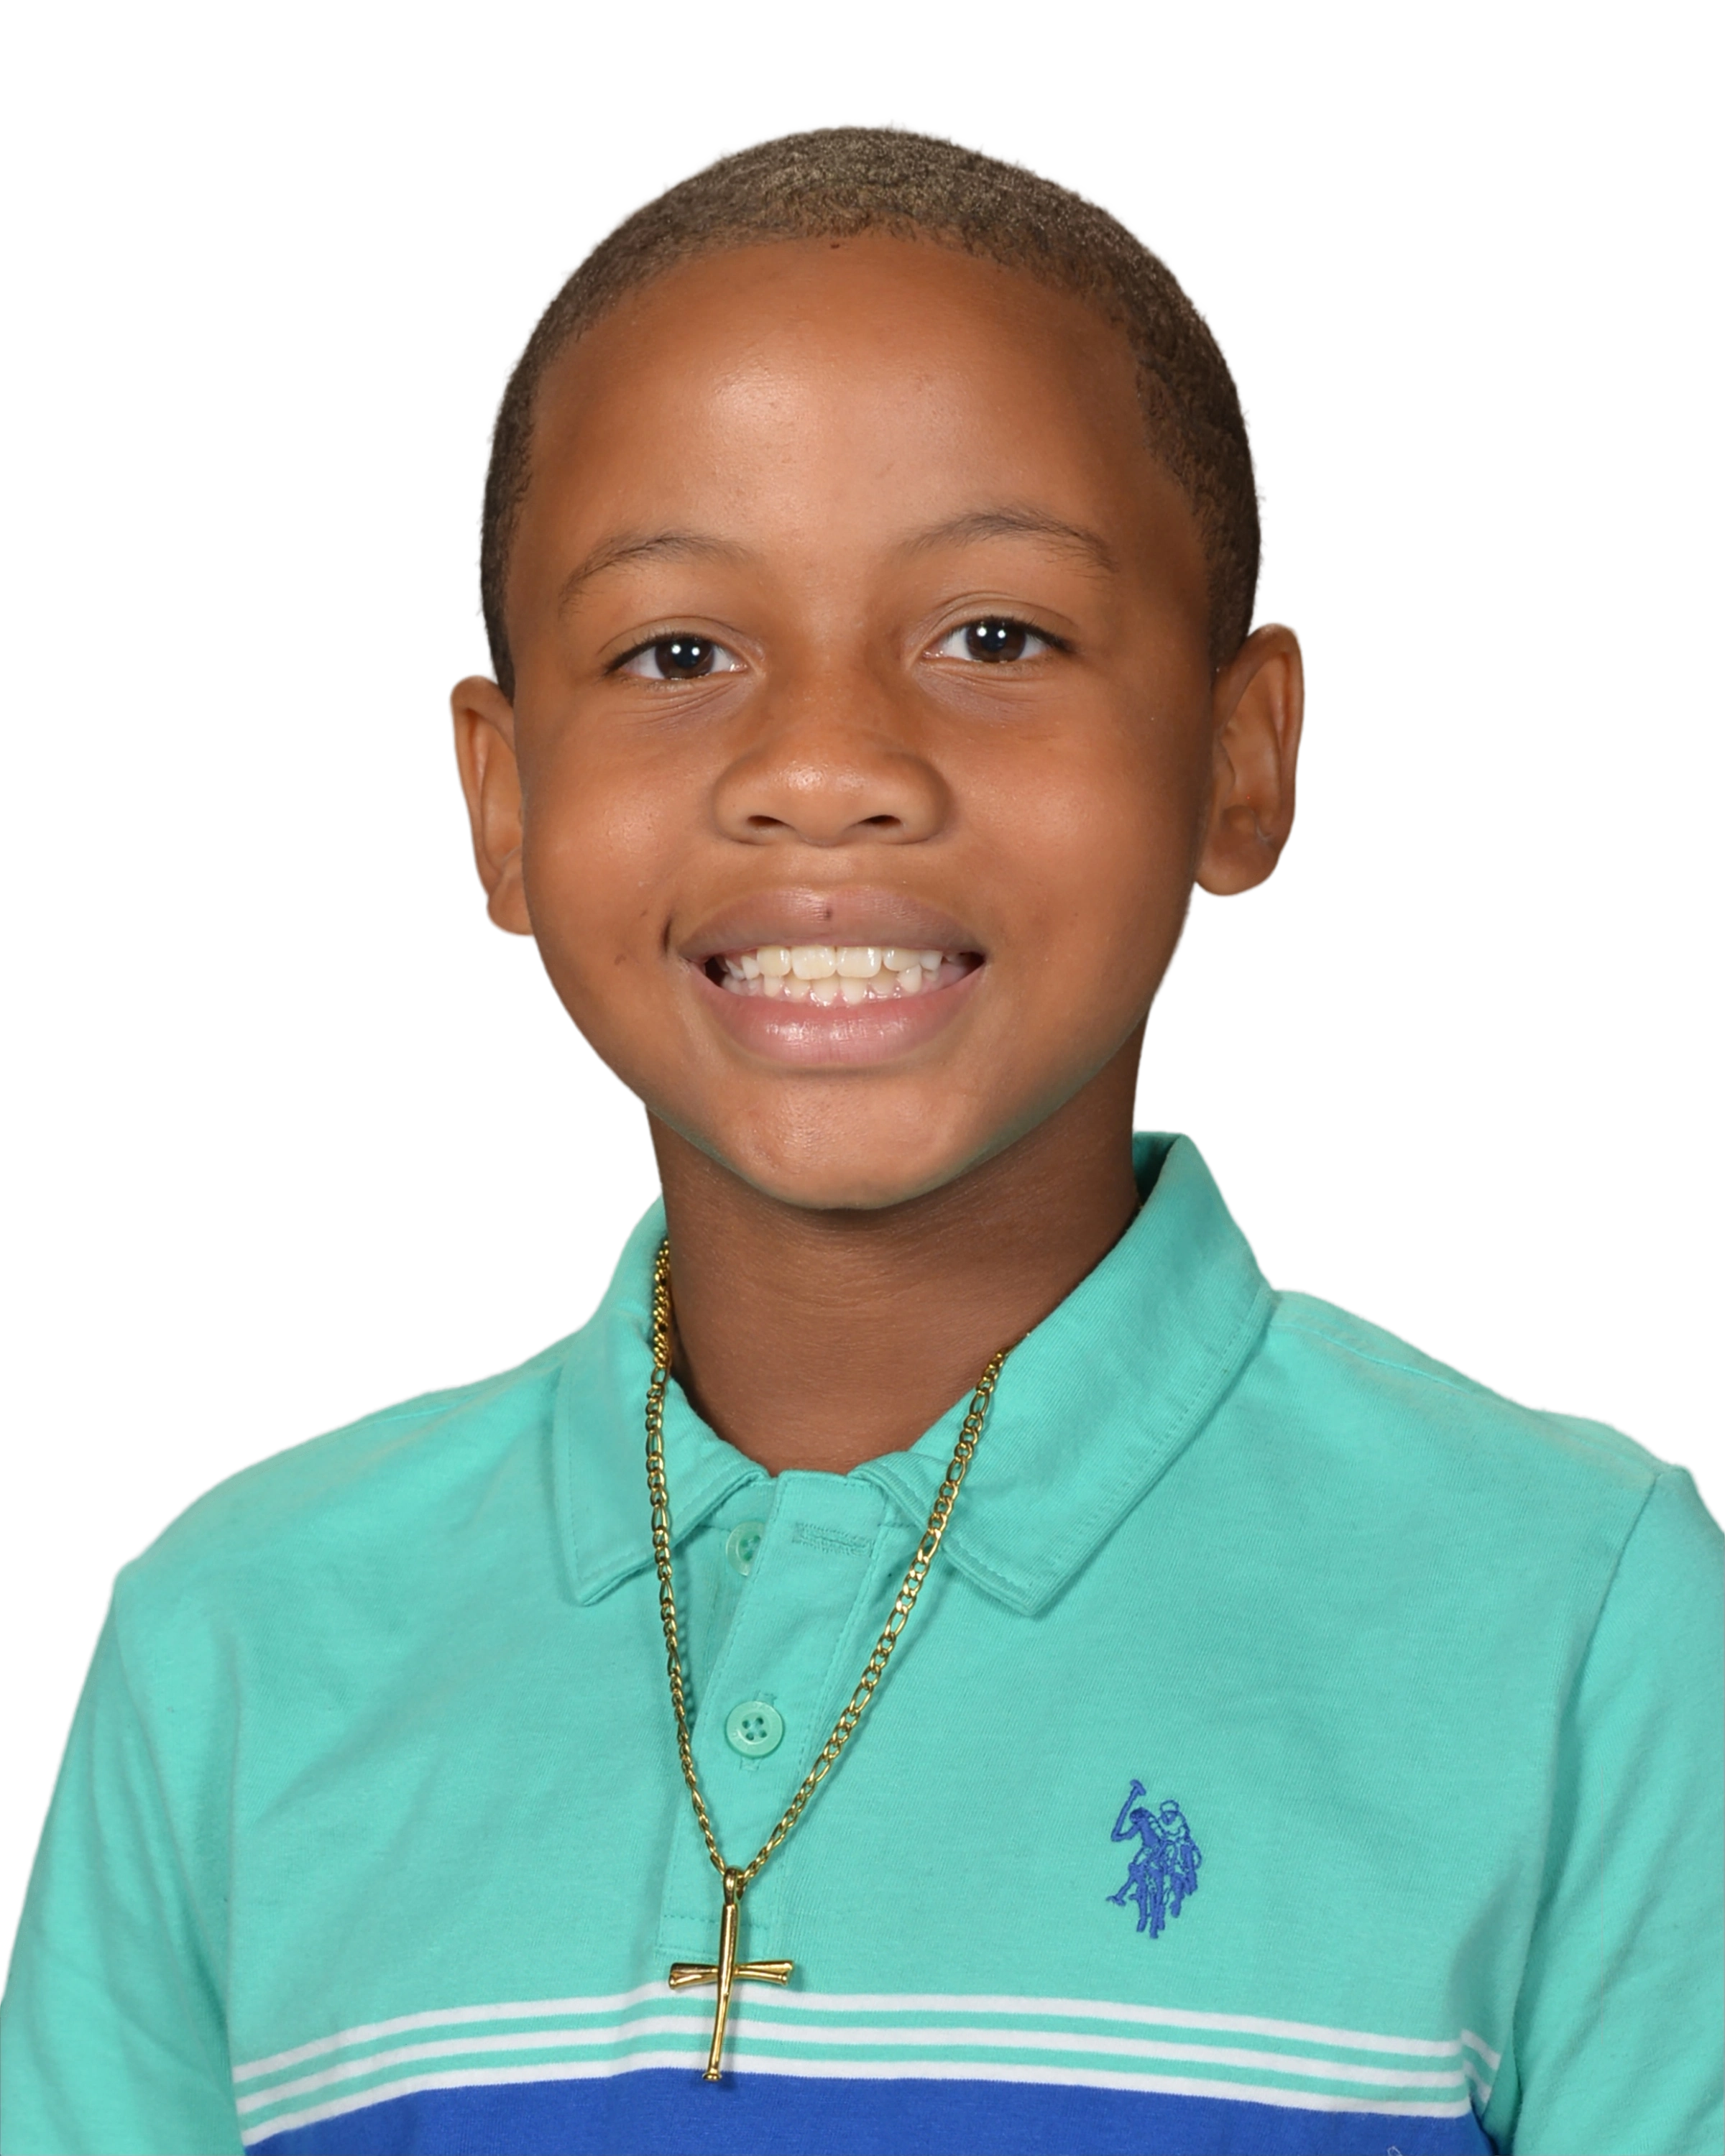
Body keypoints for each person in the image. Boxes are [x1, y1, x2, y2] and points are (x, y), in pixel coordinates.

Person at [2, 120, 1719, 2156]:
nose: (825, 770)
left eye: (997, 637)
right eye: (677, 653)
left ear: (1243, 760)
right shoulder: (234, 1641)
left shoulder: (1584, 1612)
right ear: (501, 800)